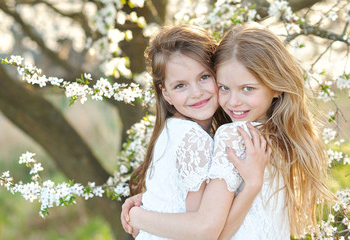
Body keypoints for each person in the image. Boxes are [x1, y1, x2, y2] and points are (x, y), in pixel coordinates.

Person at [122, 23, 335, 239]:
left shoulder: (233, 136)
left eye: (247, 88)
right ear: (165, 92)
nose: (233, 102)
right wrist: (149, 201)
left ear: (277, 85)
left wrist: (138, 216)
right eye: (224, 87)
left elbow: (208, 232)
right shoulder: (288, 138)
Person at [125, 24, 270, 240]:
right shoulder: (193, 139)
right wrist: (136, 216)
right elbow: (200, 228)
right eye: (180, 85)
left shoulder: (173, 130)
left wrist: (140, 210)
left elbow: (173, 200)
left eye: (204, 77)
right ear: (166, 95)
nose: (196, 92)